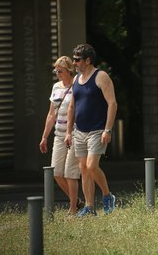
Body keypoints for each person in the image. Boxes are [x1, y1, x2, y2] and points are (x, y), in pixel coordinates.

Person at [64, 44, 117, 217]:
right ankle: (89, 207)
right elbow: (72, 107)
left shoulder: (100, 76)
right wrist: (68, 132)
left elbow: (112, 104)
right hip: (79, 131)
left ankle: (108, 196)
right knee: (84, 170)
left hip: (97, 130)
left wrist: (107, 130)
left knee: (91, 166)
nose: (74, 62)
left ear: (88, 60)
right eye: (74, 58)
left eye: (77, 59)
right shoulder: (76, 79)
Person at [39, 56, 82, 214]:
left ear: (69, 70)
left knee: (70, 172)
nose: (57, 73)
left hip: (75, 134)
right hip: (59, 135)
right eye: (55, 70)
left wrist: (71, 132)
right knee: (56, 173)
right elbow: (51, 114)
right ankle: (77, 202)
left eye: (60, 71)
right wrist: (44, 137)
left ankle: (72, 208)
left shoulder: (77, 85)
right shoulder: (56, 87)